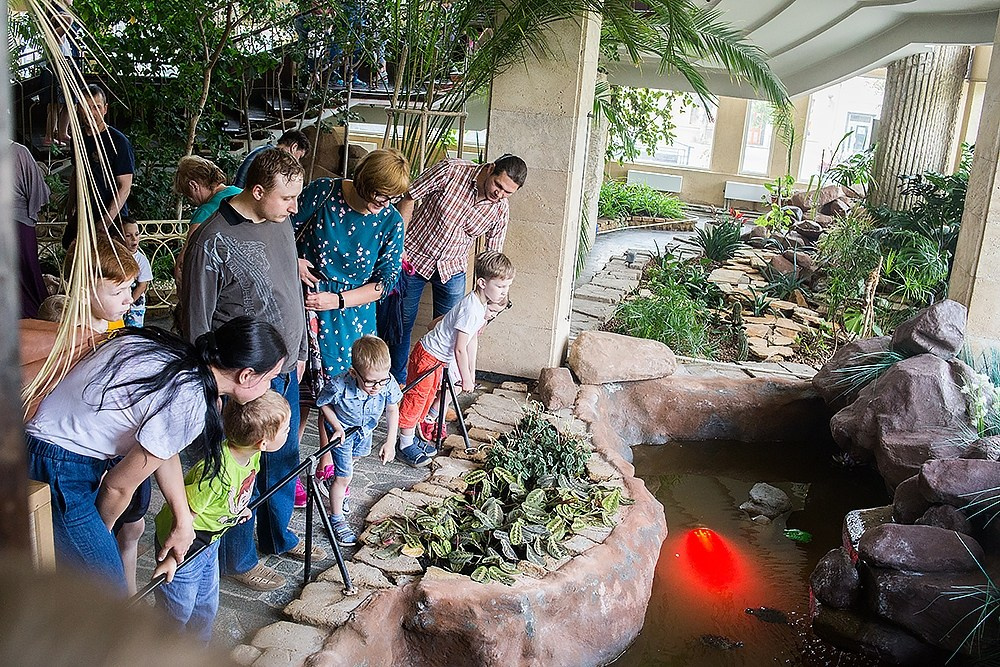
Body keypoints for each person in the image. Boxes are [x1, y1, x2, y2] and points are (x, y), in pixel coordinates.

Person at [24, 316, 288, 592]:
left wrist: (183, 519)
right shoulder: (190, 399)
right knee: (107, 591)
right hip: (56, 466)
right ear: (246, 375)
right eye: (269, 378)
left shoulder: (177, 356)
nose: (269, 387)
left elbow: (163, 449)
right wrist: (103, 535)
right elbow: (117, 486)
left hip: (43, 446)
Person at [182, 148, 321, 592]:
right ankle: (239, 558)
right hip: (241, 378)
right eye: (287, 198)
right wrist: (210, 386)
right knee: (238, 468)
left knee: (284, 455)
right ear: (257, 191)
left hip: (283, 364)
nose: (295, 208)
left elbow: (289, 289)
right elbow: (196, 321)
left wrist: (299, 350)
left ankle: (279, 535)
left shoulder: (279, 223)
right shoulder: (212, 237)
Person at [292, 148, 407, 501]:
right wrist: (294, 260)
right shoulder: (324, 192)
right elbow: (283, 227)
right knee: (303, 393)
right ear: (363, 182)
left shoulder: (390, 221)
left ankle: (330, 462)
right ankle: (289, 469)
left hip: (352, 315)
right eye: (379, 196)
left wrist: (338, 300)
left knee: (341, 390)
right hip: (305, 302)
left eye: (391, 198)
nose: (383, 204)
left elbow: (384, 282)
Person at [152, 390, 291, 642]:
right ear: (263, 442)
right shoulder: (217, 473)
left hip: (210, 540)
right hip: (185, 545)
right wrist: (172, 558)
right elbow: (184, 516)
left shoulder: (250, 454)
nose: (289, 432)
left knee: (205, 607)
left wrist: (238, 508)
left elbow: (240, 488)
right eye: (285, 429)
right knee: (177, 611)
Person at [381, 153, 527, 383]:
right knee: (402, 325)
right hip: (414, 259)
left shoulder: (500, 209)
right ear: (490, 169)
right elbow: (409, 196)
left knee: (454, 332)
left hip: (453, 269)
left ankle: (437, 395)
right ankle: (398, 384)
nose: (499, 194)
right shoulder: (451, 170)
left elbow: (493, 259)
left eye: (508, 192)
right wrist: (398, 248)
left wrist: (486, 309)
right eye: (498, 185)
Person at [396, 251, 515, 466]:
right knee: (417, 398)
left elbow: (470, 342)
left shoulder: (479, 307)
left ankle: (412, 436)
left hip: (438, 359)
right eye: (499, 286)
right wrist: (466, 379)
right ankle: (404, 444)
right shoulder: (472, 309)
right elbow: (460, 348)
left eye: (506, 287)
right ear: (481, 282)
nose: (503, 292)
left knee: (426, 397)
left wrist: (469, 372)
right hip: (429, 357)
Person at [315, 335, 400, 546]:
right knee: (345, 477)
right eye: (370, 382)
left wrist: (390, 442)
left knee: (352, 463)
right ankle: (336, 520)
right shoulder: (338, 385)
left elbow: (392, 409)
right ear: (354, 373)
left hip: (364, 430)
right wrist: (336, 427)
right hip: (342, 431)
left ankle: (335, 484)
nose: (377, 387)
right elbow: (323, 404)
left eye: (382, 380)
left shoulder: (386, 382)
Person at [63, 84, 135, 249]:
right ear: (78, 109)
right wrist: (70, 206)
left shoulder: (118, 141)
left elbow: (125, 187)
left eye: (96, 107)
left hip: (112, 218)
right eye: (86, 107)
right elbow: (77, 172)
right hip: (84, 214)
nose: (91, 113)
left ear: (105, 109)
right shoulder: (78, 137)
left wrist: (106, 221)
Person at [12, 141, 52, 318]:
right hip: (18, 221)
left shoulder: (19, 152)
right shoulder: (20, 152)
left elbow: (36, 191)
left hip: (18, 221)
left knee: (25, 271)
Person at [233, 129, 310, 189]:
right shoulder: (272, 158)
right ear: (294, 147)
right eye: (299, 157)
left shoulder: (265, 150)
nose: (297, 161)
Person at [120, 218, 152, 327]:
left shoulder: (141, 260)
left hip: (134, 307)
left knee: (133, 333)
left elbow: (142, 286)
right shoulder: (115, 258)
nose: (134, 239)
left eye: (137, 234)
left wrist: (130, 302)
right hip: (117, 304)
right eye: (128, 236)